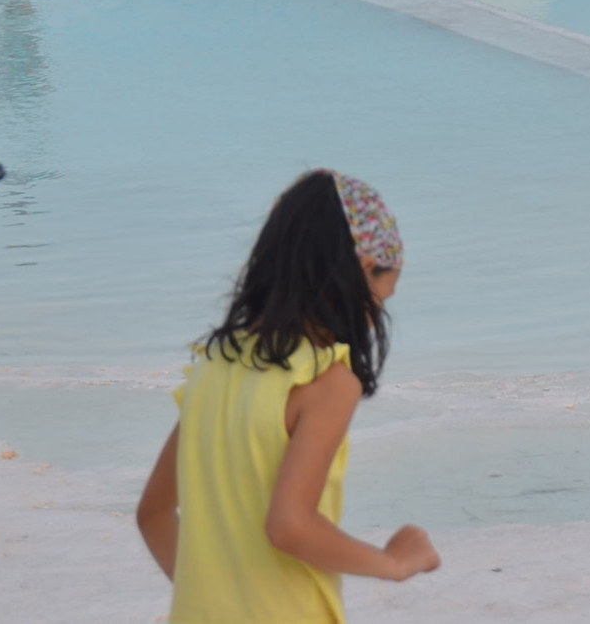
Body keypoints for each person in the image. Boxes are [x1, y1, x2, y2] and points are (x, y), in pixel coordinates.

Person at [135, 172, 440, 620]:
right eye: (379, 297)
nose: (374, 319)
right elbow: (290, 526)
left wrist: (215, 603)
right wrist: (393, 564)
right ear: (360, 270)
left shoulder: (214, 365)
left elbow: (154, 514)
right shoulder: (327, 379)